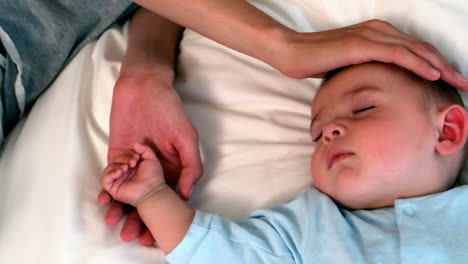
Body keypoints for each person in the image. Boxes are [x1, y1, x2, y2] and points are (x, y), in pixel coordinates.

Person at [98, 4, 468, 246]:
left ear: (447, 131)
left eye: (363, 108)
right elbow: (220, 252)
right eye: (317, 133)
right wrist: (151, 196)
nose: (330, 132)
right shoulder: (308, 227)